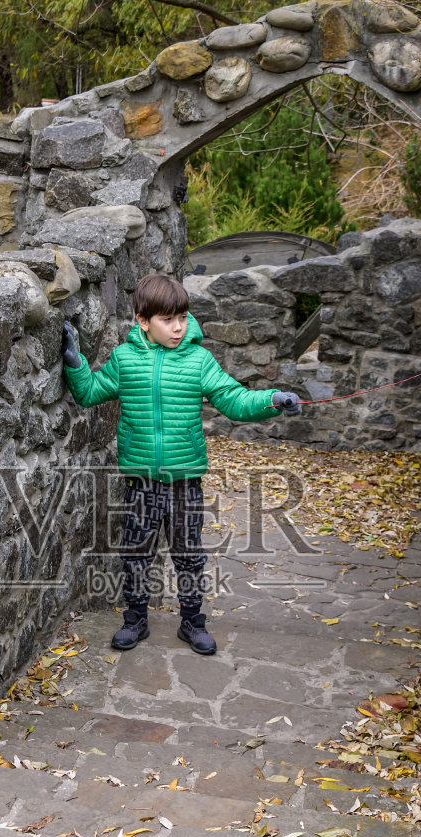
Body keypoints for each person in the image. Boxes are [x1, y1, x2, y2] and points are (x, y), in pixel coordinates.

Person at [61, 273, 303, 654]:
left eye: (183, 317)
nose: (178, 327)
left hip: (184, 480)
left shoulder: (199, 360)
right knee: (136, 551)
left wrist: (272, 399)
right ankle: (135, 620)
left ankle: (192, 622)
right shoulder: (125, 360)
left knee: (188, 554)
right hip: (140, 479)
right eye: (168, 319)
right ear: (143, 321)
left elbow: (234, 400)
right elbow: (89, 393)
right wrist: (74, 362)